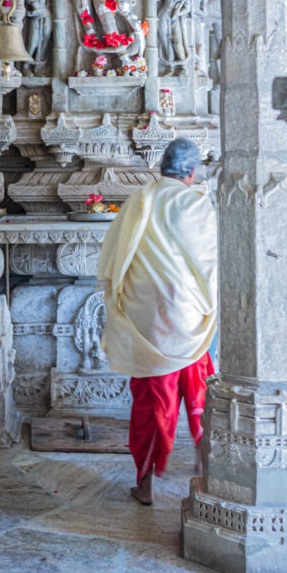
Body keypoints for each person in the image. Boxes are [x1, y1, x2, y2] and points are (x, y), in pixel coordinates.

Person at [97, 138, 217, 505]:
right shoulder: (196, 202)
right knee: (199, 387)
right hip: (188, 315)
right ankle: (205, 465)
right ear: (192, 171)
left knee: (153, 400)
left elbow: (114, 259)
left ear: (161, 168)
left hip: (148, 320)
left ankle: (146, 485)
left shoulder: (140, 199)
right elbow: (211, 261)